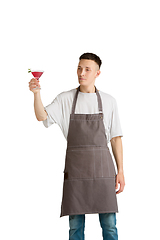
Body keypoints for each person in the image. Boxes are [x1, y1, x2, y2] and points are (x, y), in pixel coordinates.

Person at [29, 53, 125, 240]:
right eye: (79, 68)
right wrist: (36, 94)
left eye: (87, 69)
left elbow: (115, 138)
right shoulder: (65, 99)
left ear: (97, 73)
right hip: (76, 174)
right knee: (75, 228)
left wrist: (120, 171)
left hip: (103, 172)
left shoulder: (109, 101)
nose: (82, 73)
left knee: (110, 226)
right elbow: (42, 116)